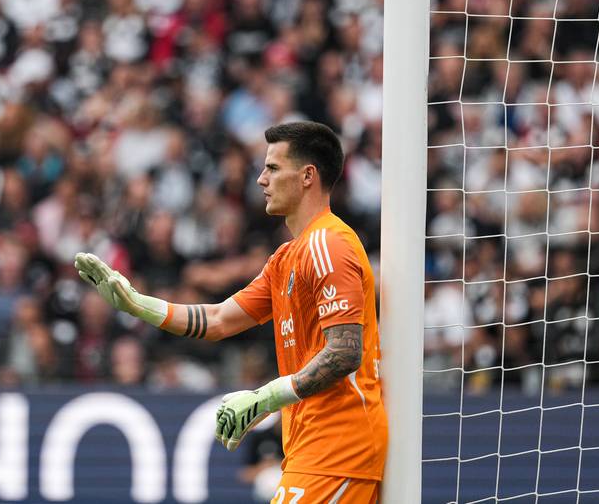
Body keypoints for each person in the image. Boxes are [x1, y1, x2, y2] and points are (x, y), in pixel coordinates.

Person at [76, 121, 387, 502]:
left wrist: (266, 397)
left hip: (339, 448)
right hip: (311, 449)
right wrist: (138, 304)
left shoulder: (329, 245)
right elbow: (220, 320)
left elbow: (344, 352)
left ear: (308, 176)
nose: (260, 179)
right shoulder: (287, 257)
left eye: (272, 168)